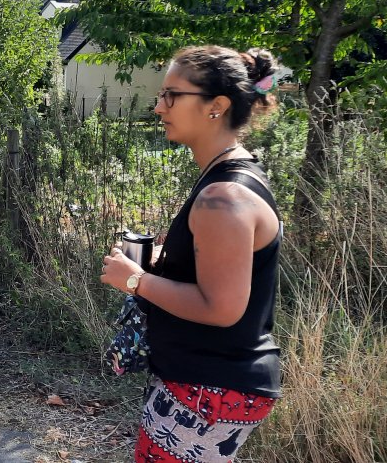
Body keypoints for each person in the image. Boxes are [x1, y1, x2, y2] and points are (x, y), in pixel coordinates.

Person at [100, 46, 282, 462]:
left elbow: (221, 307)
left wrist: (134, 279)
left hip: (209, 385)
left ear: (215, 106)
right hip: (205, 379)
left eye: (171, 95)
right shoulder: (229, 178)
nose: (159, 106)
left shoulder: (224, 197)